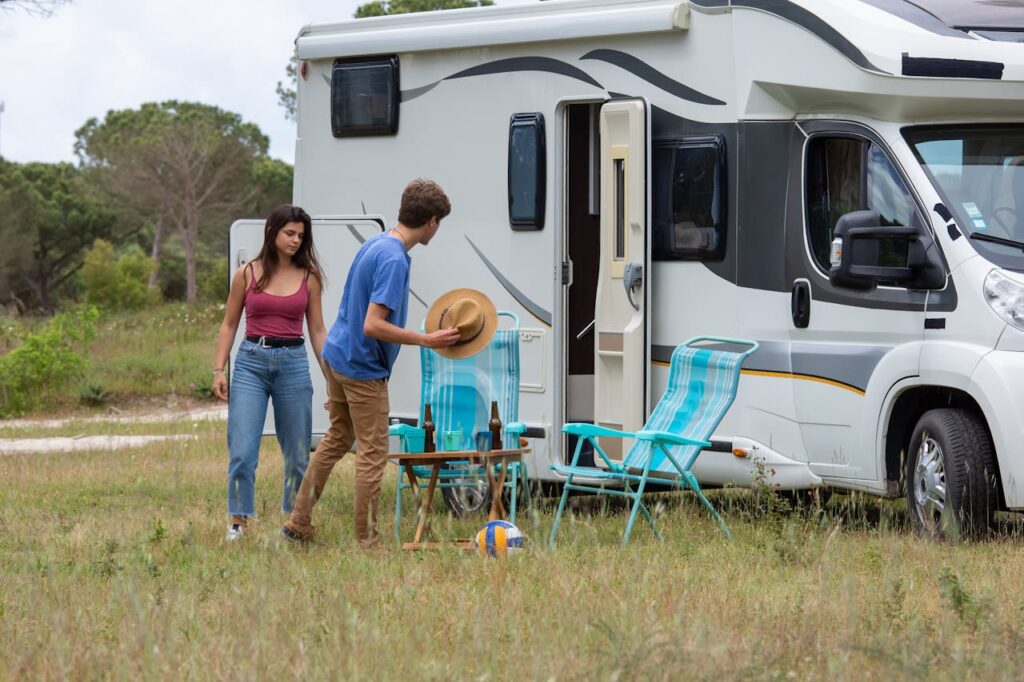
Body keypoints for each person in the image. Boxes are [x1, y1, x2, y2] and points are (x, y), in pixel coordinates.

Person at [283, 179, 460, 547]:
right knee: (373, 455)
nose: (437, 229)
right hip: (361, 367)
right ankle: (368, 542)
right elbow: (373, 324)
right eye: (438, 222)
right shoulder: (394, 259)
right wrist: (426, 339)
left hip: (337, 355)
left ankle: (299, 521)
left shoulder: (377, 243)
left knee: (336, 438)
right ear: (431, 221)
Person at [212, 204, 327, 542]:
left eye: (300, 236)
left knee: (296, 451)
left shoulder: (310, 278)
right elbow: (229, 324)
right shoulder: (247, 274)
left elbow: (318, 331)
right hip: (251, 362)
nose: (295, 240)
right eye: (289, 233)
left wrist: (333, 379)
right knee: (243, 450)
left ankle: (295, 523)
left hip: (293, 361)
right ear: (273, 233)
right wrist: (219, 369)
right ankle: (238, 521)